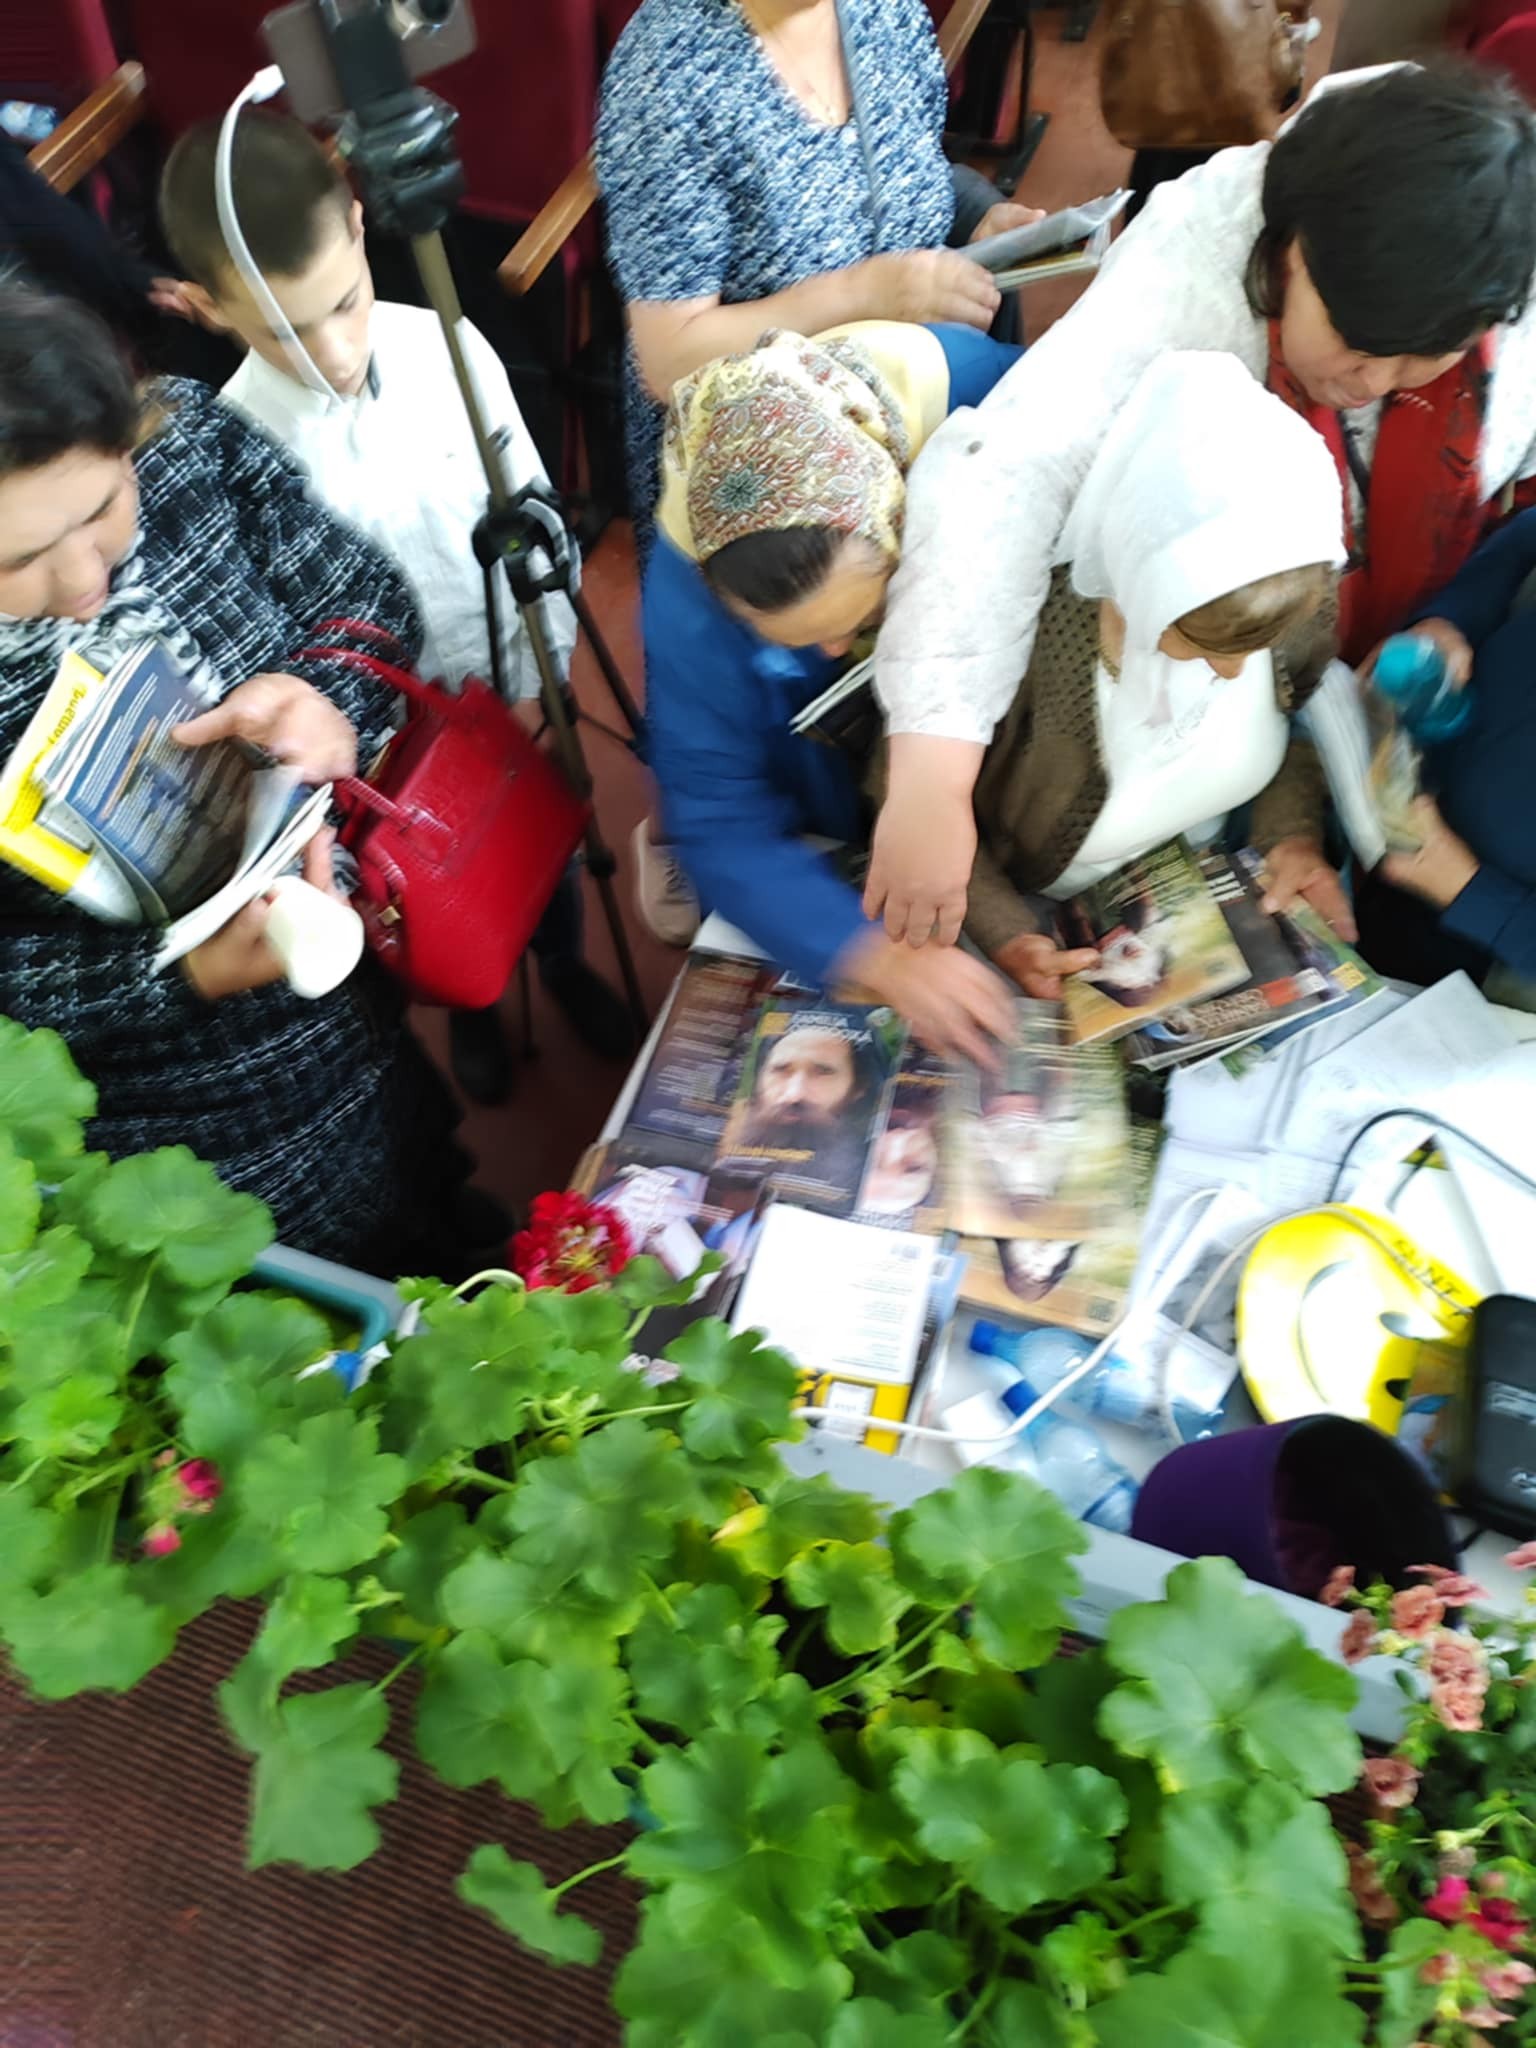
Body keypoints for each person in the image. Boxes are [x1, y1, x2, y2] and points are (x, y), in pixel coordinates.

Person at [864, 62, 1536, 951]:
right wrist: (933, 781)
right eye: (1355, 343)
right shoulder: (1200, 261)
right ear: (1292, 253)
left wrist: (1449, 619)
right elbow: (1007, 476)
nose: (1373, 384)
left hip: (1370, 706)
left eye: (1422, 361)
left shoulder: (1499, 271)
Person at [0, 285, 497, 1276]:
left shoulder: (186, 445)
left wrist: (326, 702)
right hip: (193, 1138)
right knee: (327, 1309)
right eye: (16, 561)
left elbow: (363, 596)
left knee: (440, 1205)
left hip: (365, 1010)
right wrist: (173, 976)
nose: (83, 579)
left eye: (102, 508)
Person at [157, 111, 631, 1100]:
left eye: (345, 302)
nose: (334, 350)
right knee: (434, 875)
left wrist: (548, 672)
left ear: (360, 225)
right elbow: (288, 637)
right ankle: (474, 1006)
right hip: (388, 733)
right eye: (286, 329)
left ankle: (561, 962)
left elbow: (529, 504)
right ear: (204, 307)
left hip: (509, 678)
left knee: (540, 835)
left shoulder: (446, 346)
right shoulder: (239, 445)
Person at [597, 0, 1040, 942]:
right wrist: (862, 293)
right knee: (758, 684)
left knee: (874, 646)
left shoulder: (878, 12)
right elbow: (669, 355)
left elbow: (911, 168)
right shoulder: (667, 76)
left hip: (893, 415)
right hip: (758, 474)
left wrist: (978, 215)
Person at [643, 319, 1020, 1061]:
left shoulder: (987, 399)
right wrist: (867, 953)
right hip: (837, 799)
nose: (837, 651)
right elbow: (718, 816)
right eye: (795, 640)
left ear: (901, 510)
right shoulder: (685, 608)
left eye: (866, 617)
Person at [966, 355, 1348, 995]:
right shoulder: (1019, 634)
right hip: (1038, 926)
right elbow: (906, 796)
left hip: (1207, 893)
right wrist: (1005, 930)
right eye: (1199, 647)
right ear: (1138, 583)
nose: (1233, 674)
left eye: (1256, 649)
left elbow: (1299, 730)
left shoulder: (1290, 590)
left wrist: (1290, 834)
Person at [1354, 508, 1536, 998]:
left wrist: (1471, 894)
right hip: (1402, 785)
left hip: (1480, 938)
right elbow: (1524, 539)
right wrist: (1448, 620)